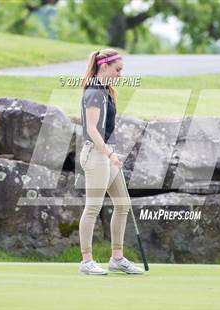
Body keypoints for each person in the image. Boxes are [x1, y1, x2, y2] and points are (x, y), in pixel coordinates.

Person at [78, 48, 144, 275]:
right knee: (93, 207)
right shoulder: (94, 92)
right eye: (118, 70)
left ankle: (116, 258)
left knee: (123, 204)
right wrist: (109, 153)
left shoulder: (105, 90)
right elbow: (91, 129)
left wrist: (111, 152)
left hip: (106, 154)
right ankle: (86, 261)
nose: (120, 75)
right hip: (96, 155)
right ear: (103, 66)